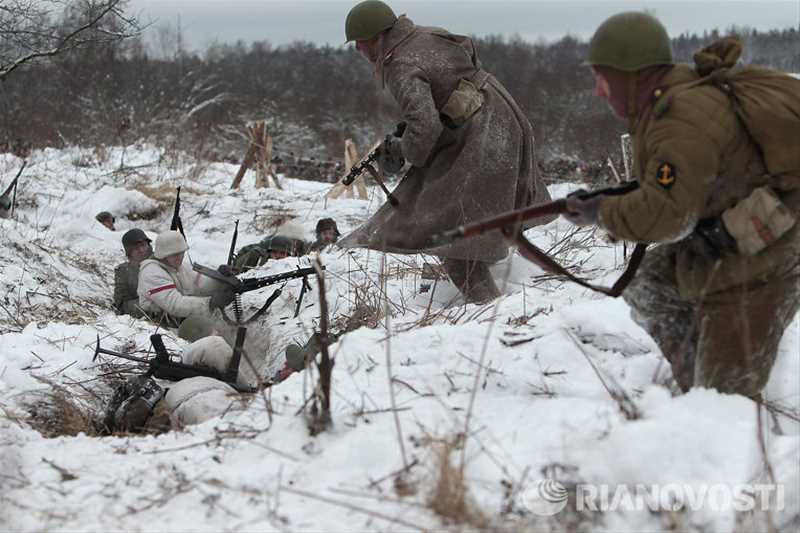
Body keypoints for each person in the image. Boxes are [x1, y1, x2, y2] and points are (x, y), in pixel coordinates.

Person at [562, 12, 800, 399]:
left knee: (727, 404)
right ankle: (695, 387)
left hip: (762, 263)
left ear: (633, 74)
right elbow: (680, 186)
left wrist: (600, 213)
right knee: (650, 286)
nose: (599, 91)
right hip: (727, 242)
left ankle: (714, 397)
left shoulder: (680, 119)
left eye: (603, 78)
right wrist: (612, 199)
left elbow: (668, 217)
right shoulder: (671, 103)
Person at [337, 1, 553, 304]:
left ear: (374, 37)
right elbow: (466, 53)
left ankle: (490, 312)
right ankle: (504, 291)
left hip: (483, 135)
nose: (359, 50)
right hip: (502, 116)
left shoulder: (400, 64)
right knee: (471, 224)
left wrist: (403, 150)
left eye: (359, 43)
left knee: (450, 235)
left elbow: (424, 127)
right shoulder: (427, 36)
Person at [137, 230, 236, 329]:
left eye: (182, 253)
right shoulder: (152, 272)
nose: (180, 257)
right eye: (175, 254)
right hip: (159, 327)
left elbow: (200, 284)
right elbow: (174, 304)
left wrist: (220, 280)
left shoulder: (179, 266)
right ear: (163, 254)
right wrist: (210, 303)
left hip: (178, 321)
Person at [113, 228, 153, 317]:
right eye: (136, 248)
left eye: (143, 245)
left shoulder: (161, 260)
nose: (141, 250)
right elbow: (121, 305)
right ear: (129, 252)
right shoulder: (123, 271)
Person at [232, 234, 307, 273]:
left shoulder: (292, 266)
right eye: (274, 252)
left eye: (282, 253)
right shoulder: (258, 259)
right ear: (269, 252)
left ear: (288, 256)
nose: (278, 256)